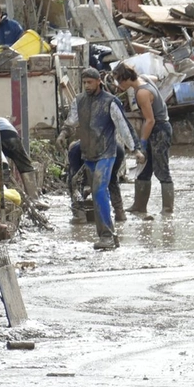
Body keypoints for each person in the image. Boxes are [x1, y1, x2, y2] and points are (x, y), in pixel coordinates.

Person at [62, 67, 135, 250]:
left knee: (100, 190)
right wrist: (63, 134)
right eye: (84, 82)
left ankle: (107, 236)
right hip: (88, 154)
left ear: (98, 82)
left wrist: (136, 149)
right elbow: (71, 122)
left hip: (108, 153)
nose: (86, 86)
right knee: (98, 193)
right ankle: (111, 235)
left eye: (90, 82)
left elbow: (123, 127)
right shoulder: (79, 101)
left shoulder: (111, 102)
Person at [114, 66, 174, 217]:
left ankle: (167, 209)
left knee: (162, 169)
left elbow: (150, 121)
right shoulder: (145, 79)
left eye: (120, 81)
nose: (119, 85)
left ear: (127, 79)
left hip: (159, 129)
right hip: (159, 126)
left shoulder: (142, 93)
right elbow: (155, 78)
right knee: (144, 167)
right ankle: (139, 206)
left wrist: (142, 142)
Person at [0, 117, 47, 209]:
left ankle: (1, 195)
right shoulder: (5, 123)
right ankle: (34, 199)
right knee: (25, 166)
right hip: (12, 136)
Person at [66, 141, 125, 223]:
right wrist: (90, 190)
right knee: (112, 179)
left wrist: (79, 195)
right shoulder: (87, 141)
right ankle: (120, 213)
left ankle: (79, 215)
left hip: (104, 150)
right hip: (116, 149)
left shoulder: (75, 150)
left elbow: (75, 180)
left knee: (76, 181)